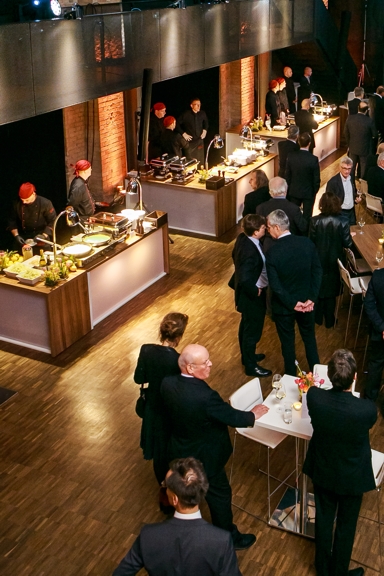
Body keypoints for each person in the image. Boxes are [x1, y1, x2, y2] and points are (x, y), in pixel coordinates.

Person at [161, 344, 269, 550]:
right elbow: (232, 417)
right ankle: (230, 538)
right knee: (220, 497)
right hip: (205, 459)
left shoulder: (167, 384)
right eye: (205, 362)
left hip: (178, 451)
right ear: (190, 368)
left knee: (185, 497)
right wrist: (253, 414)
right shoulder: (205, 397)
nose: (210, 364)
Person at [303, 349, 377, 576]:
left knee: (324, 519)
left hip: (324, 468)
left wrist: (309, 382)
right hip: (352, 475)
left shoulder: (314, 397)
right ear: (354, 378)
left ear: (328, 375)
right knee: (346, 524)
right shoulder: (366, 410)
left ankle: (323, 569)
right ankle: (339, 571)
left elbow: (312, 390)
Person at [112, 457, 242, 576]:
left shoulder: (148, 535)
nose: (164, 488)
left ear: (174, 499)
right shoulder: (221, 541)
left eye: (165, 486)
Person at [134, 312, 189, 491]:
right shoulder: (178, 360)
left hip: (152, 408)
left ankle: (163, 488)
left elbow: (138, 378)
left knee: (158, 453)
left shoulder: (146, 350)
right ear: (179, 336)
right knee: (173, 452)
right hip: (171, 412)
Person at [266, 209, 322, 376]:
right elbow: (317, 271)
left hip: (284, 308)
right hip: (307, 303)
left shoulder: (272, 253)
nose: (268, 230)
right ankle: (317, 374)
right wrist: (311, 298)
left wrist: (292, 303)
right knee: (310, 339)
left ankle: (290, 377)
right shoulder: (307, 243)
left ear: (276, 227)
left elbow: (275, 286)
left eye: (269, 227)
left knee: (287, 344)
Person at [231, 214, 271, 378]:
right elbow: (246, 278)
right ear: (255, 232)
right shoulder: (249, 251)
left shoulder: (242, 238)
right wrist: (256, 290)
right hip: (251, 296)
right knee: (252, 331)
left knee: (246, 326)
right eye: (263, 228)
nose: (265, 229)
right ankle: (250, 366)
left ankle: (247, 356)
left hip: (246, 295)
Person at [309, 191, 354, 328]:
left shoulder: (314, 221)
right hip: (335, 260)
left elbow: (311, 242)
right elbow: (347, 244)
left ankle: (317, 317)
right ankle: (330, 319)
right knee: (332, 292)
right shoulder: (343, 221)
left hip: (318, 259)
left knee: (319, 287)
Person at [256, 176, 308, 253]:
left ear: (270, 192)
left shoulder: (261, 208)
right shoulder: (294, 208)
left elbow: (259, 230)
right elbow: (303, 228)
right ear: (286, 191)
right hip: (291, 246)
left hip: (269, 248)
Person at [8, 182, 56, 253]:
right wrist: (16, 235)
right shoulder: (16, 204)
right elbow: (12, 221)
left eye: (27, 200)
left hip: (41, 237)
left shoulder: (45, 203)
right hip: (24, 238)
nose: (24, 202)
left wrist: (43, 236)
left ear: (33, 193)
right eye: (22, 199)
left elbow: (52, 221)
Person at [285, 132, 320, 221]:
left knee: (293, 215)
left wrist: (288, 190)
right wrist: (314, 192)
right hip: (309, 193)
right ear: (309, 143)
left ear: (298, 142)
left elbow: (287, 176)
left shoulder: (291, 156)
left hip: (294, 191)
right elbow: (316, 179)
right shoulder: (313, 159)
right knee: (307, 216)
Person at [364, 269, 384, 401]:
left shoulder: (377, 276)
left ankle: (369, 400)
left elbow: (369, 305)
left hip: (379, 333)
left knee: (375, 365)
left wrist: (382, 328)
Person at [325, 156, 361, 225]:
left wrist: (355, 198)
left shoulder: (351, 177)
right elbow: (329, 201)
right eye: (344, 168)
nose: (347, 171)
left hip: (351, 212)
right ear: (340, 167)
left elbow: (352, 191)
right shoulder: (333, 182)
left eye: (349, 169)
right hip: (340, 212)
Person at [344, 101, 377, 179]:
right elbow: (375, 135)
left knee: (351, 168)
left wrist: (349, 144)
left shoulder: (350, 118)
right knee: (363, 168)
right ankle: (362, 187)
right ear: (366, 110)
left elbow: (345, 133)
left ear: (358, 108)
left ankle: (352, 185)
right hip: (365, 149)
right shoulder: (369, 121)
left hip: (352, 148)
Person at [177, 98, 208, 166]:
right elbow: (177, 124)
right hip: (190, 142)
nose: (198, 106)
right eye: (196, 105)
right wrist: (183, 134)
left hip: (199, 140)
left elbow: (206, 122)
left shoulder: (202, 113)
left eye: (199, 105)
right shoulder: (186, 114)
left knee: (200, 160)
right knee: (191, 161)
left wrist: (205, 130)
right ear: (191, 105)